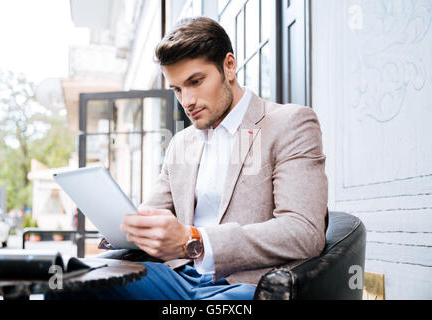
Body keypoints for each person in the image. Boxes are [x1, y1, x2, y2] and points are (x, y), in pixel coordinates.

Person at [46, 16, 328, 300]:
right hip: (176, 276)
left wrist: (192, 240)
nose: (187, 101)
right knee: (64, 278)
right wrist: (129, 226)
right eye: (178, 89)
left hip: (244, 286)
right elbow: (152, 212)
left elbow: (303, 231)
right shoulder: (181, 143)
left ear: (229, 66)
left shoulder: (289, 123)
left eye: (196, 81)